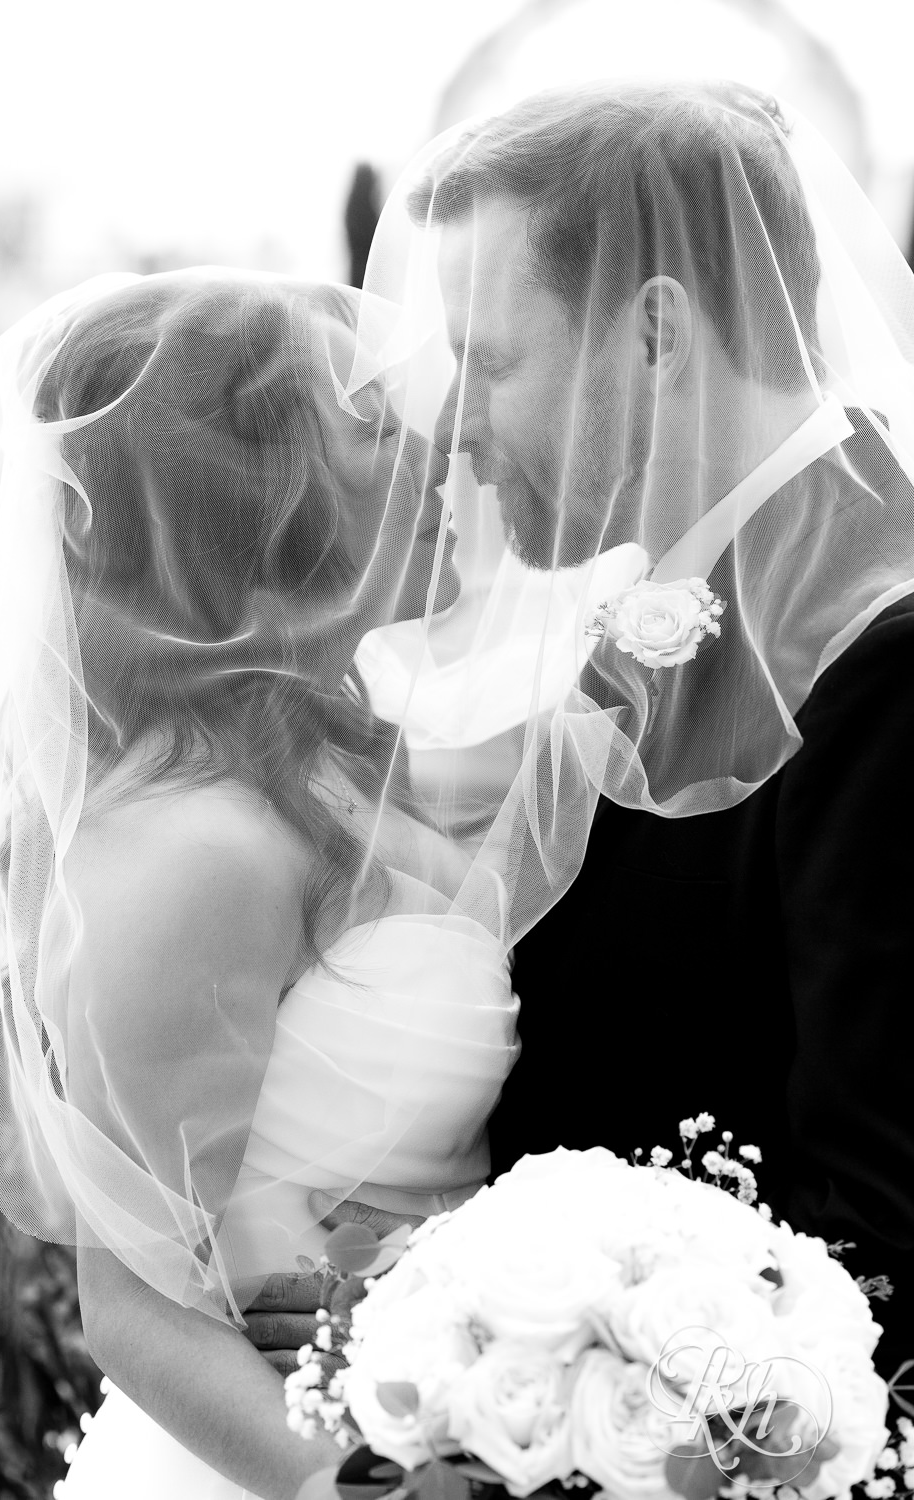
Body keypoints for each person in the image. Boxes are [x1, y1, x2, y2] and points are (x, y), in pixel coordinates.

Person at [252, 83, 914, 1384]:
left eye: (491, 361)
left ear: (656, 334)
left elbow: (882, 1252)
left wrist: (484, 1345)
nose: (460, 431)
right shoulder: (653, 610)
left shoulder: (884, 664)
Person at [0, 269, 520, 1499]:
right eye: (371, 426)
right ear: (263, 495)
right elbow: (135, 1312)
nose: (436, 446)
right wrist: (376, 1485)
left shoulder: (340, 756)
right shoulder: (202, 844)